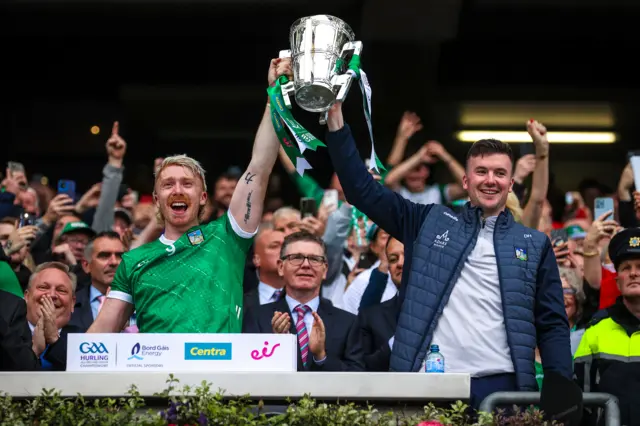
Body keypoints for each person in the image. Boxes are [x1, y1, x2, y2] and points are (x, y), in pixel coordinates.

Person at [324, 103, 572, 407]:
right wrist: (336, 122)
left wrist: (560, 379)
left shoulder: (533, 243)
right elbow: (363, 191)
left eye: (499, 173)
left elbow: (551, 321)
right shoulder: (426, 221)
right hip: (432, 383)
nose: (490, 180)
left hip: (505, 386)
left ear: (510, 184)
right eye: (481, 172)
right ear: (465, 182)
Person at [88, 58, 287, 334]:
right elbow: (102, 333)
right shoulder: (133, 261)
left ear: (204, 196)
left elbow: (260, 167)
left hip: (219, 373)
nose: (178, 190)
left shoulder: (227, 237)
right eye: (168, 184)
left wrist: (273, 96)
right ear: (157, 199)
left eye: (187, 183)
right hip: (159, 376)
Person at [243, 231, 364, 371]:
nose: (306, 265)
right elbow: (249, 373)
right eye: (296, 258)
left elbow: (357, 379)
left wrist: (321, 356)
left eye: (314, 259)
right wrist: (279, 345)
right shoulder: (257, 317)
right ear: (281, 267)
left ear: (325, 270)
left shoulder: (348, 323)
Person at [574, 228, 640, 426]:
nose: (634, 273)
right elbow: (582, 400)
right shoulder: (596, 329)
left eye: (639, 266)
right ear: (617, 280)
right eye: (626, 268)